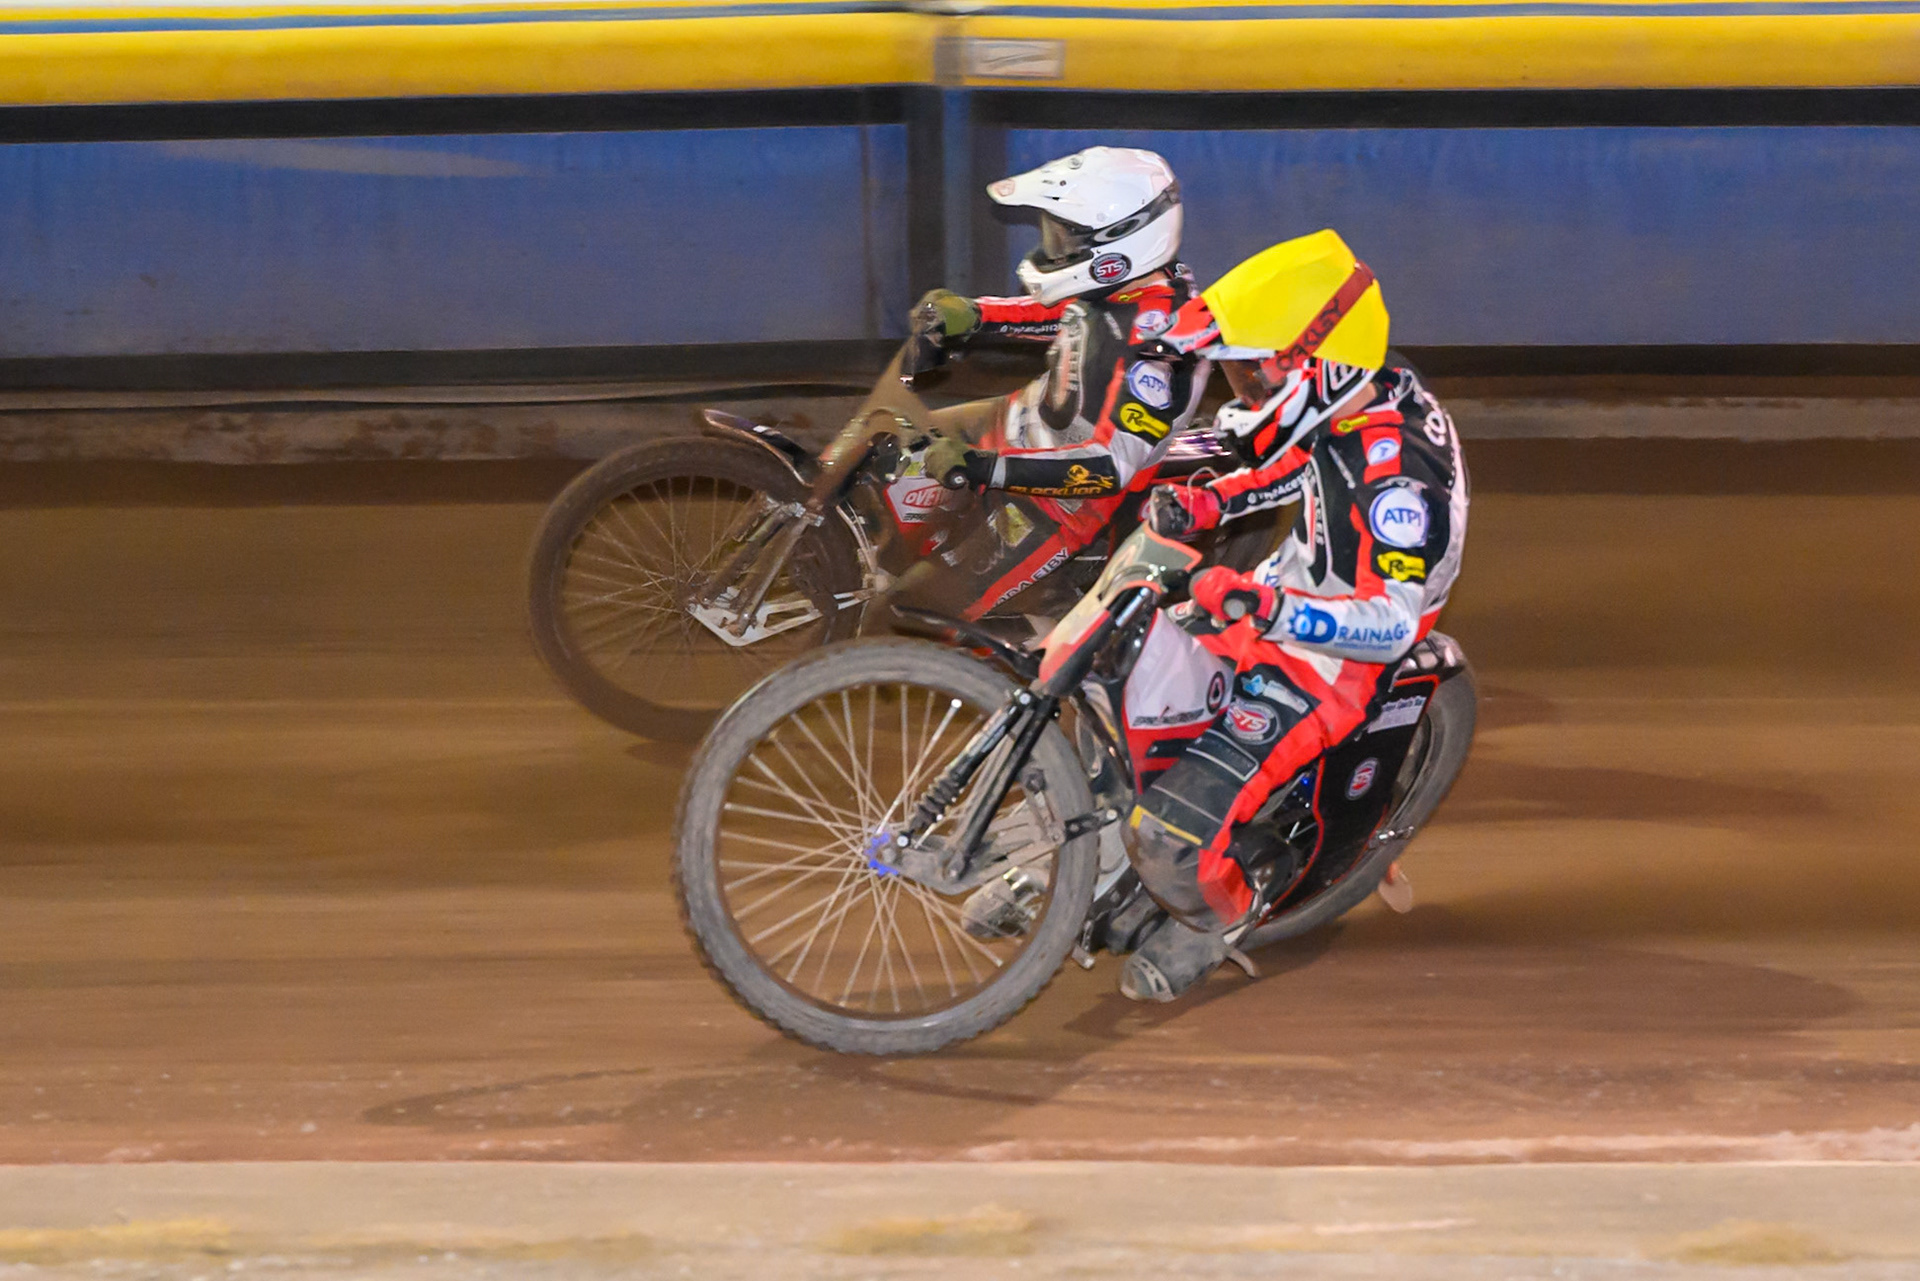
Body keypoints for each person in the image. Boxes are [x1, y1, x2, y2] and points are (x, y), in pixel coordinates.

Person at [1119, 229, 1470, 1002]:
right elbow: (1301, 463)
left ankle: (1222, 916)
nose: (1245, 391)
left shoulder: (1398, 483)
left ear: (1320, 365)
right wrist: (1213, 500)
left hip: (1338, 656)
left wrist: (1269, 607)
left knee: (1167, 841)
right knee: (1122, 682)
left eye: (1256, 372)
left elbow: (1390, 621)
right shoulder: (1361, 388)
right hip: (1291, 585)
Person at [890, 146, 1210, 621]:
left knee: (905, 615)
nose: (1054, 249)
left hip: (1058, 504)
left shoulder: (1157, 343)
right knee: (886, 456)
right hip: (1013, 423)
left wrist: (987, 468)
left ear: (1120, 243)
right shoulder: (1125, 286)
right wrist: (976, 313)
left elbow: (1109, 466)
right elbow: (1071, 314)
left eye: (1066, 239)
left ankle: (1001, 652)